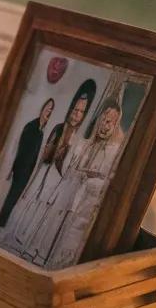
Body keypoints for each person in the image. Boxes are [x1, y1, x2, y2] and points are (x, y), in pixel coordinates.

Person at [10, 79, 97, 259]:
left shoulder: (80, 141)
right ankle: (17, 243)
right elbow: (44, 159)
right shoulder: (58, 128)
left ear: (84, 115)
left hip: (59, 187)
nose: (76, 115)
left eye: (81, 112)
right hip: (44, 181)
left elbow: (71, 168)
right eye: (75, 110)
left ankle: (31, 249)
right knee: (30, 212)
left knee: (45, 220)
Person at [41, 98, 127, 269]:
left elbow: (107, 183)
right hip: (67, 200)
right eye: (103, 119)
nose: (105, 125)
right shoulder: (82, 143)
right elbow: (66, 169)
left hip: (85, 212)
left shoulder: (114, 152)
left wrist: (89, 177)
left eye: (110, 122)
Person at [0, 97, 54, 226]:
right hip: (20, 169)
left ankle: (3, 223)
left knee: (15, 199)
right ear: (42, 109)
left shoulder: (41, 131)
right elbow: (20, 149)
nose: (49, 112)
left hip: (28, 171)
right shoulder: (31, 126)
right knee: (11, 197)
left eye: (51, 110)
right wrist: (12, 169)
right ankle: (1, 223)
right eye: (47, 108)